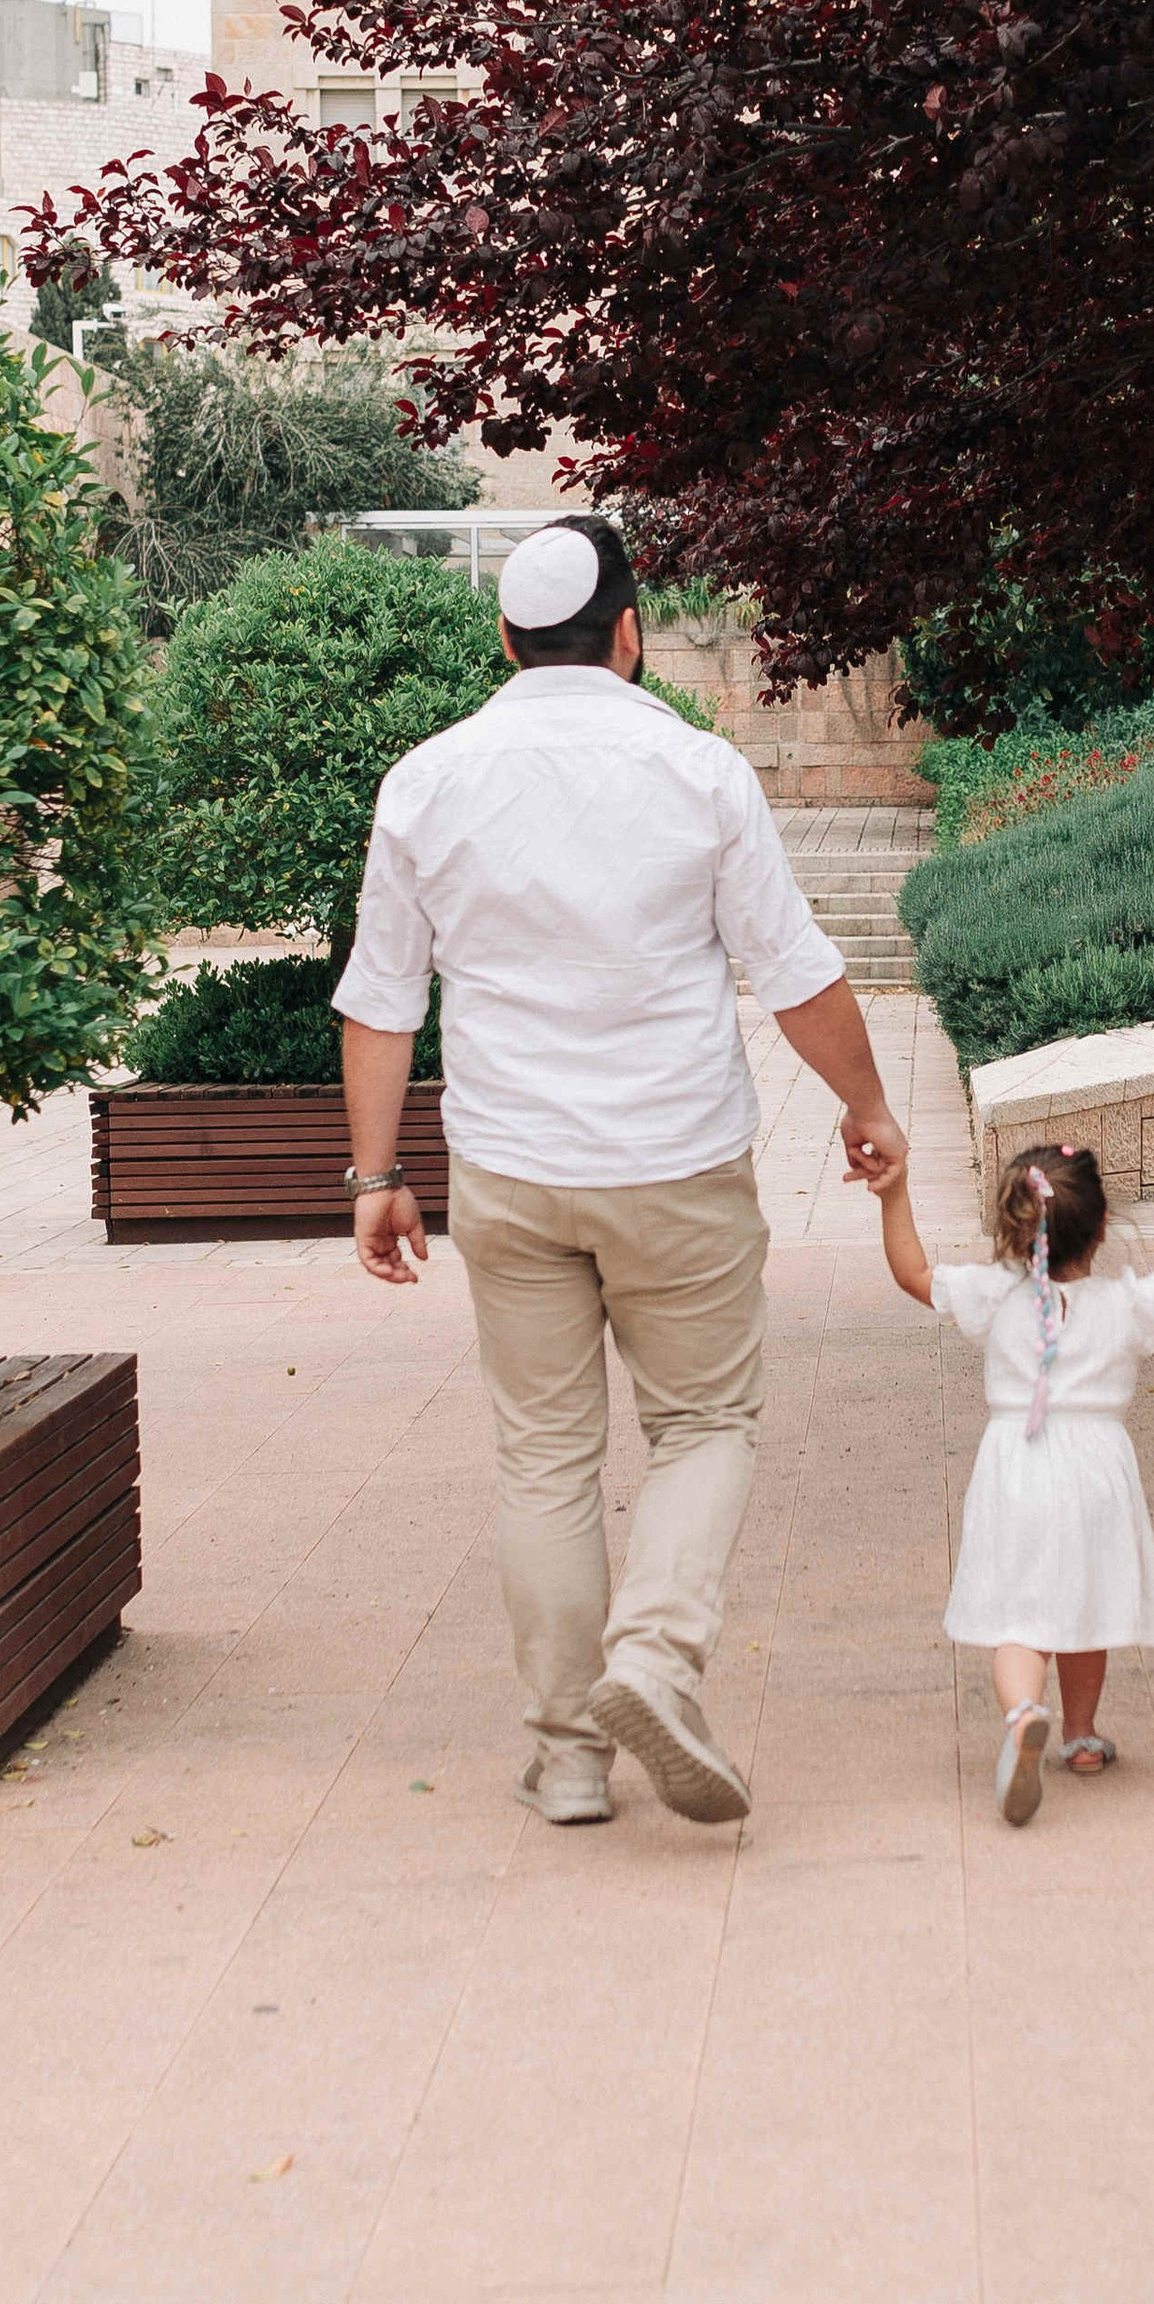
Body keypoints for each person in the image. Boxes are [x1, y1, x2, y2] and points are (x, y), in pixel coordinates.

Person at [333, 512, 906, 1830]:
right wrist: (868, 1104)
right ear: (633, 636)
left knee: (544, 1459)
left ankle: (569, 1757)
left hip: (512, 1172)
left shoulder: (427, 780)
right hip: (677, 1160)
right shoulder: (699, 771)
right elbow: (796, 967)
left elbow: (380, 1000)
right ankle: (654, 1656)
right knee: (704, 1424)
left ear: (507, 637)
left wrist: (374, 1177)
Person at [873, 1138, 1154, 1821]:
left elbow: (914, 1275)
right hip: (1099, 1471)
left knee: (1019, 1614)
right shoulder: (1128, 1301)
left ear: (1014, 1227)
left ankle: (1024, 1714)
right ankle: (1080, 1736)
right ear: (1102, 1227)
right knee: (1089, 1597)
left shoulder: (994, 1293)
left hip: (1017, 1465)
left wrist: (893, 1195)